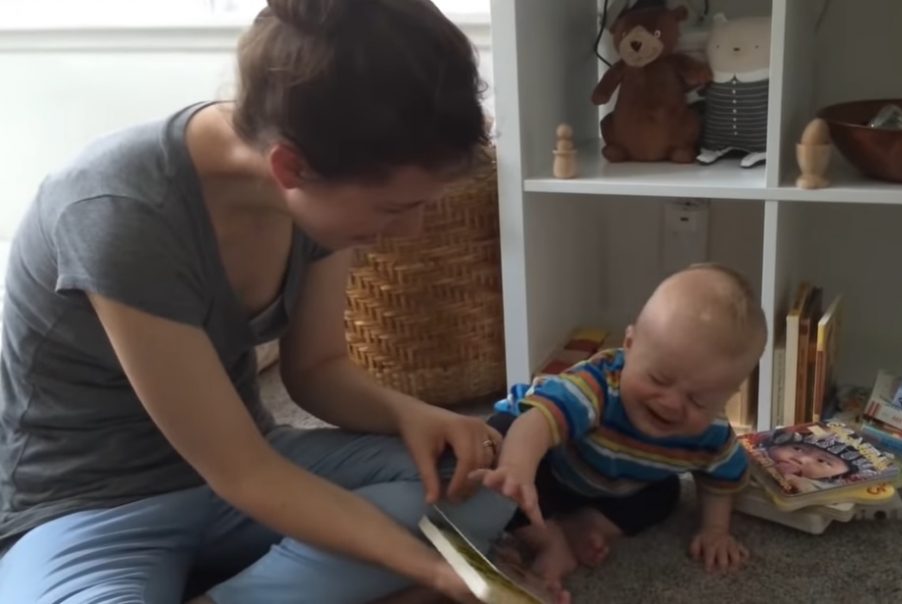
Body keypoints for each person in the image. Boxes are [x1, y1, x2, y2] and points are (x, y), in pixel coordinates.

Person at [0, 1, 516, 602]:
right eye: (394, 209)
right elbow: (242, 472)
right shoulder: (121, 213)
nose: (411, 232)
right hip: (91, 505)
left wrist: (412, 414)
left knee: (483, 485)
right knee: (433, 549)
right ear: (290, 166)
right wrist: (427, 569)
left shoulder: (316, 198)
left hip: (251, 465)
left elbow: (317, 372)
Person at [472, 264, 767, 590]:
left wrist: (715, 529)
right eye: (659, 379)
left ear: (726, 396)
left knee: (665, 494)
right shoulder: (597, 386)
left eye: (697, 400)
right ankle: (548, 541)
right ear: (629, 345)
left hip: (617, 484)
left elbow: (721, 479)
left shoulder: (710, 432)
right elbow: (537, 423)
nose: (670, 403)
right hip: (550, 461)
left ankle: (586, 524)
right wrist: (516, 468)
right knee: (496, 444)